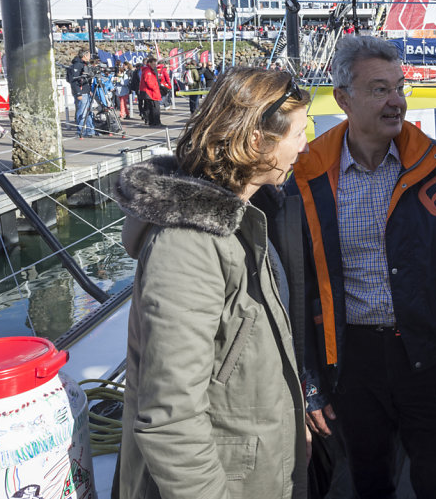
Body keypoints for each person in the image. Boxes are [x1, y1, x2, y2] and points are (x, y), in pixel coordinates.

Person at [288, 35, 436, 499]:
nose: (396, 101)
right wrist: (310, 383)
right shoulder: (309, 172)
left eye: (400, 87)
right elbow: (299, 288)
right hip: (351, 365)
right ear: (343, 98)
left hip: (430, 357)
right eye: (380, 90)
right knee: (366, 482)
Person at [114, 68, 310, 499]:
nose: (304, 145)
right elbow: (171, 418)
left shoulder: (243, 220)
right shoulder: (188, 244)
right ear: (258, 140)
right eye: (298, 133)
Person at [68, 50, 95, 138]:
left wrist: (89, 90)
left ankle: (90, 131)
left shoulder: (85, 65)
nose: (90, 57)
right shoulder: (77, 65)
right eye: (89, 55)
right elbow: (74, 81)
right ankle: (81, 131)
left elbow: (86, 80)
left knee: (89, 112)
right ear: (84, 56)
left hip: (86, 91)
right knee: (82, 112)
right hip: (81, 92)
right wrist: (78, 93)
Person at [138, 57, 162, 127]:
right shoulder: (148, 71)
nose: (155, 65)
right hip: (150, 92)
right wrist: (155, 88)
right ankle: (156, 122)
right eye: (153, 64)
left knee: (150, 107)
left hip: (150, 91)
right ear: (149, 63)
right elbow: (148, 82)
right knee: (155, 107)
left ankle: (152, 121)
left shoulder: (149, 70)